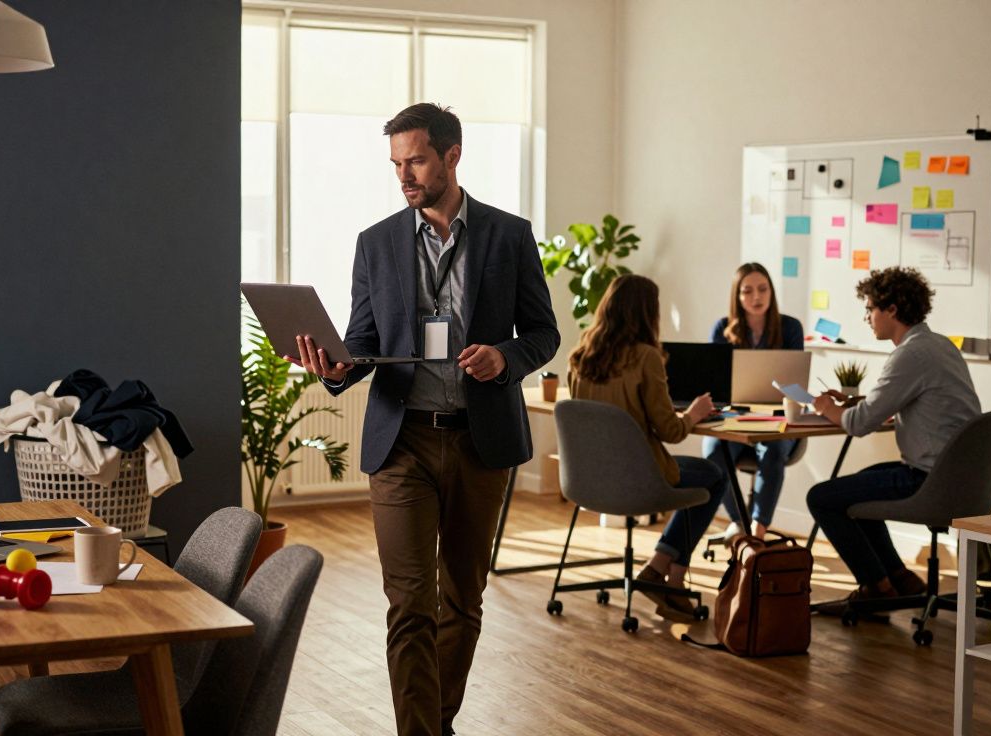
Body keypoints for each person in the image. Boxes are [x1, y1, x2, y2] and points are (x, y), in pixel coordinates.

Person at [288, 103, 559, 736]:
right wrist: (335, 370)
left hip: (480, 442)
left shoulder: (508, 236)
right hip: (402, 441)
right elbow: (361, 344)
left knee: (462, 602)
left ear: (451, 156)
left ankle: (433, 725)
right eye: (396, 164)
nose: (403, 175)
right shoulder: (375, 243)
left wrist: (505, 356)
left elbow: (544, 334)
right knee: (409, 604)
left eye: (414, 161)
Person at [809, 267, 980, 613]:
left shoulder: (909, 355)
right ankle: (900, 580)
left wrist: (827, 408)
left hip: (928, 480)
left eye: (871, 308)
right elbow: (903, 402)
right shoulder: (938, 345)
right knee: (859, 485)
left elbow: (858, 425)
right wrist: (858, 403)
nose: (868, 317)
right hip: (957, 477)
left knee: (822, 497)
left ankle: (876, 586)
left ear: (892, 310)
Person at [567, 274, 729, 620]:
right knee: (714, 475)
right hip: (638, 479)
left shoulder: (580, 357)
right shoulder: (645, 358)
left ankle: (660, 569)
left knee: (703, 473)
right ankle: (671, 575)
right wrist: (694, 413)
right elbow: (671, 432)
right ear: (646, 313)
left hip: (590, 481)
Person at [705, 262, 805, 540]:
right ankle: (740, 521)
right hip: (733, 415)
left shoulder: (790, 327)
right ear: (737, 297)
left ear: (771, 292)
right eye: (747, 291)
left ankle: (757, 534)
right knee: (713, 455)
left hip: (779, 413)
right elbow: (716, 383)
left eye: (762, 289)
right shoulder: (723, 328)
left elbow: (794, 381)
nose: (756, 297)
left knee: (773, 451)